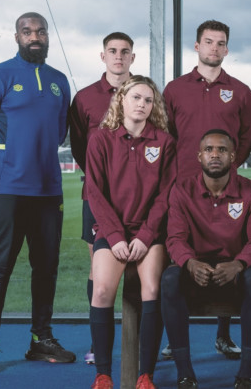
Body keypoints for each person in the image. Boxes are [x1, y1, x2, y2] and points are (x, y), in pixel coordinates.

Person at [0, 11, 76, 374]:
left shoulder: (59, 81)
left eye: (41, 31)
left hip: (48, 191)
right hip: (8, 190)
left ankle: (40, 339)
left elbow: (60, 134)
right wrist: (2, 167)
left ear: (47, 37)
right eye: (27, 31)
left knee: (46, 267)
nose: (35, 36)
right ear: (16, 37)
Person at [163, 19, 251, 359]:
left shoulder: (241, 90)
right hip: (183, 189)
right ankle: (174, 339)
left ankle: (223, 333)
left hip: (225, 187)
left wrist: (225, 169)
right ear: (197, 46)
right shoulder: (174, 89)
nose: (214, 48)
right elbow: (167, 135)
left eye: (220, 43)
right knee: (177, 260)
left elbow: (247, 137)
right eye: (208, 42)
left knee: (227, 254)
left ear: (227, 49)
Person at [85, 75, 176, 389]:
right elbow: (94, 192)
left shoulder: (164, 142)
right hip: (113, 233)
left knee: (152, 290)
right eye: (136, 97)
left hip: (148, 234)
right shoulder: (101, 138)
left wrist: (146, 236)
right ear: (121, 99)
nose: (142, 104)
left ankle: (145, 375)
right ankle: (103, 374)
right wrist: (114, 236)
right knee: (100, 291)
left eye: (148, 100)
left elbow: (166, 195)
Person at [161, 129, 251, 389]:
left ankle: (246, 374)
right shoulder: (182, 190)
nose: (215, 154)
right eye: (209, 149)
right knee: (169, 278)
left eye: (222, 150)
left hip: (234, 272)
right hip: (196, 271)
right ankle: (185, 373)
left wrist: (239, 264)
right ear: (199, 156)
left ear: (233, 156)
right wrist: (189, 262)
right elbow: (174, 238)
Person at [68, 31, 135, 365]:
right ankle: (99, 346)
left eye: (125, 52)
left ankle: (141, 343)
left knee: (141, 269)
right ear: (103, 56)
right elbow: (81, 147)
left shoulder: (144, 94)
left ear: (133, 58)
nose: (118, 57)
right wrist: (101, 180)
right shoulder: (84, 98)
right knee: (100, 270)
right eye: (113, 51)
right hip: (96, 197)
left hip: (139, 200)